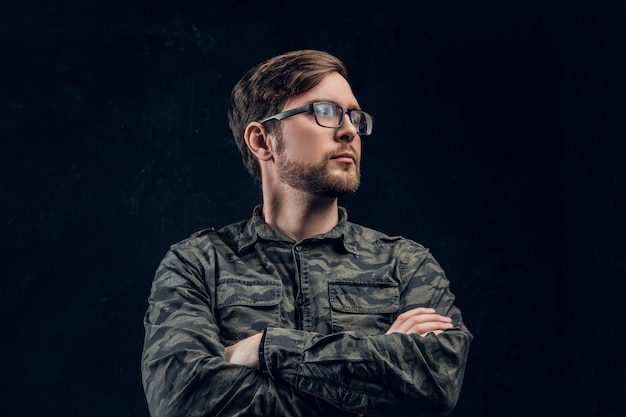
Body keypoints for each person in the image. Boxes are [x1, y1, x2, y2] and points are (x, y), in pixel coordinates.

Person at [141, 49, 473, 417]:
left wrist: (268, 348)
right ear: (262, 140)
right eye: (325, 111)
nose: (349, 129)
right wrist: (376, 369)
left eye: (354, 116)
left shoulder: (406, 264)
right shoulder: (198, 264)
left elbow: (435, 383)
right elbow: (182, 401)